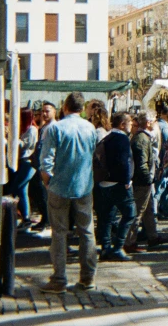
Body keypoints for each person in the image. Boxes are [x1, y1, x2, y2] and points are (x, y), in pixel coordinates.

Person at [39, 93, 98, 294]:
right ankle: (88, 277)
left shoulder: (56, 128)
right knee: (87, 232)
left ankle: (59, 279)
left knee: (59, 233)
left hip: (60, 186)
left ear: (64, 107)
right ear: (81, 109)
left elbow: (46, 162)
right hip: (83, 186)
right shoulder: (90, 128)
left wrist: (48, 183)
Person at [123, 111, 168, 253]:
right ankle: (129, 242)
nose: (155, 122)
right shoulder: (142, 139)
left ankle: (153, 236)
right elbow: (142, 163)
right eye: (153, 120)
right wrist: (148, 179)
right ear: (148, 123)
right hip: (142, 182)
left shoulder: (142, 137)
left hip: (143, 180)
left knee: (147, 210)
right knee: (139, 211)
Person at [96, 112, 137, 262]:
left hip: (104, 183)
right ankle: (118, 247)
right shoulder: (122, 138)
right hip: (119, 183)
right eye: (130, 122)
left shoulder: (106, 137)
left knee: (107, 216)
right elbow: (124, 160)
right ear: (122, 124)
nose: (131, 125)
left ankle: (105, 248)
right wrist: (127, 180)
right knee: (130, 213)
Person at [30, 101, 56, 232]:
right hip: (39, 166)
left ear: (54, 112)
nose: (44, 114)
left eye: (47, 111)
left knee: (44, 194)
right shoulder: (45, 127)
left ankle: (47, 220)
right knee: (38, 193)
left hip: (47, 169)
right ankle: (45, 218)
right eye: (43, 111)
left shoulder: (54, 127)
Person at [10, 108, 38, 229]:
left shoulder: (32, 129)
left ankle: (22, 215)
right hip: (22, 161)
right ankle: (26, 217)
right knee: (23, 191)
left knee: (17, 187)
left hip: (28, 162)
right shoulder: (24, 128)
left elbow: (28, 145)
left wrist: (15, 140)